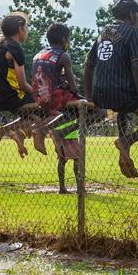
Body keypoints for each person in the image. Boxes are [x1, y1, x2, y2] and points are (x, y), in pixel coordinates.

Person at [84, 0, 138, 178]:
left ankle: (124, 145)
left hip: (101, 96)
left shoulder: (103, 32)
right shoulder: (132, 32)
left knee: (123, 109)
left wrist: (90, 96)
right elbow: (136, 65)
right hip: (122, 93)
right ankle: (127, 140)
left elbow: (88, 64)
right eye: (137, 14)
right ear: (130, 14)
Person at [31, 23, 86, 195]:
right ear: (64, 39)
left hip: (40, 98)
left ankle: (63, 188)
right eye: (68, 38)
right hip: (56, 99)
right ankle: (45, 129)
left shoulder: (38, 54)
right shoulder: (63, 55)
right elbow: (73, 87)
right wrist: (72, 85)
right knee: (95, 109)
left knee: (62, 158)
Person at [0, 13, 37, 157]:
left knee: (31, 118)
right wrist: (37, 94)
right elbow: (22, 84)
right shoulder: (15, 48)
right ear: (20, 29)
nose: (27, 30)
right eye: (26, 27)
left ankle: (10, 132)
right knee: (48, 112)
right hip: (11, 97)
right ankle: (9, 132)